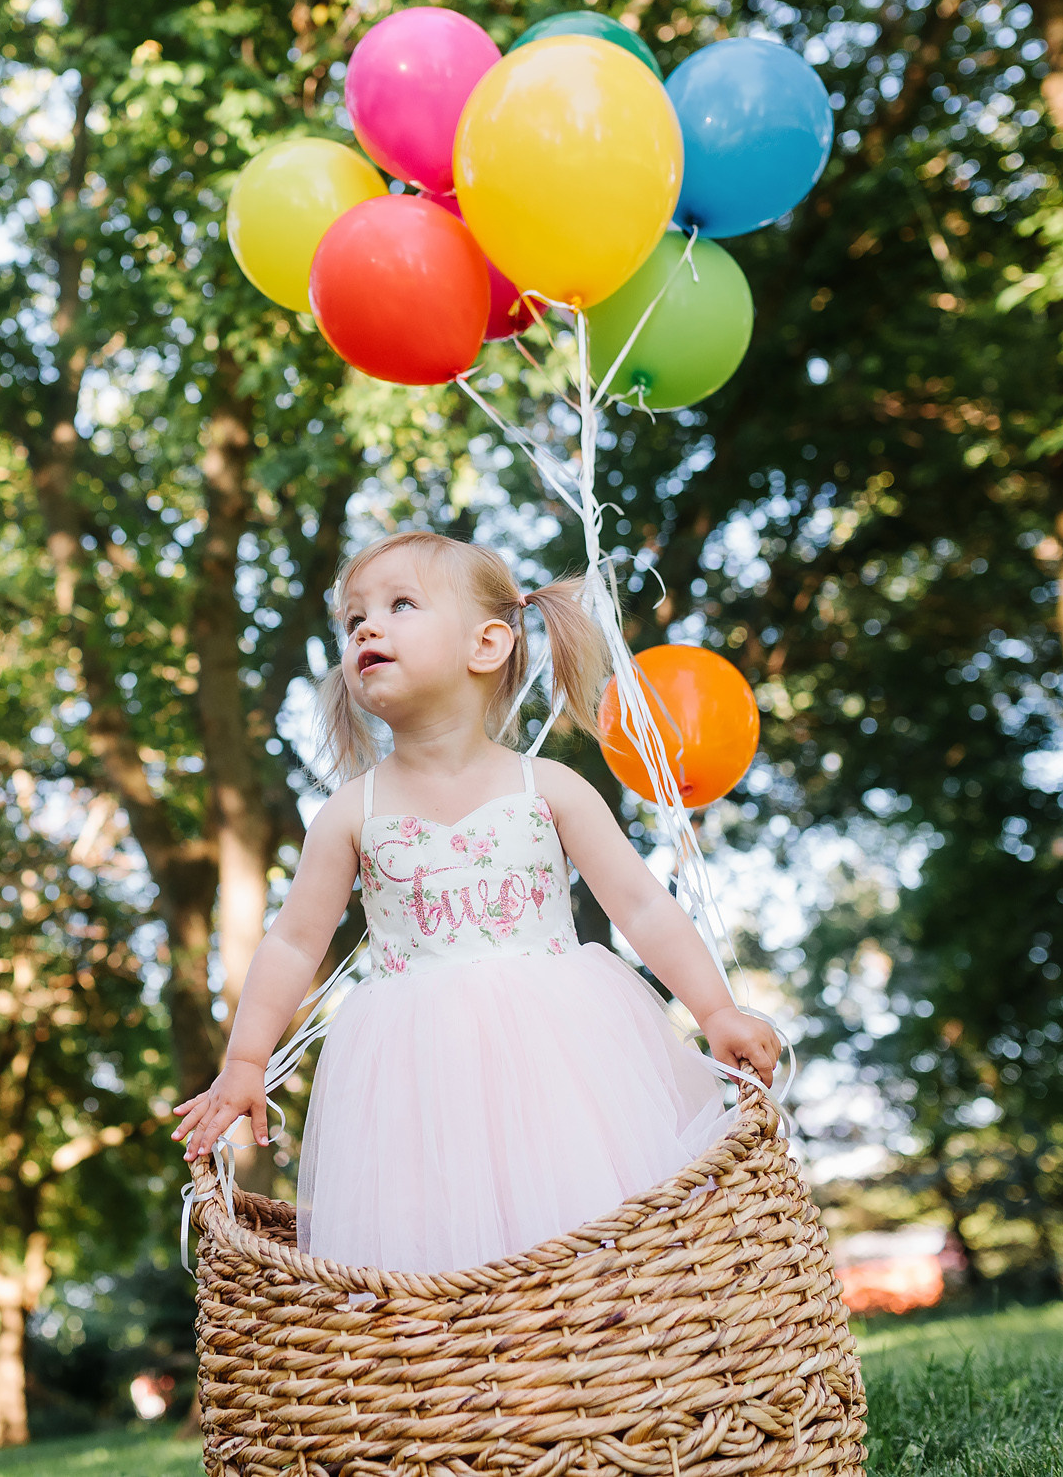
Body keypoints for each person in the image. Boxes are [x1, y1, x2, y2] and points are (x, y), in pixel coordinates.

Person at [172, 531, 780, 1274]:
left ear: (487, 643)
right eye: (352, 618)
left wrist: (715, 1011)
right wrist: (244, 1060)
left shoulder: (548, 787)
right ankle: (479, 1379)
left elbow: (643, 906)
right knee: (436, 1246)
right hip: (415, 1074)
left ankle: (609, 1352)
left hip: (563, 1050)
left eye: (400, 604)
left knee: (586, 1218)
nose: (366, 626)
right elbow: (294, 942)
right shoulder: (350, 813)